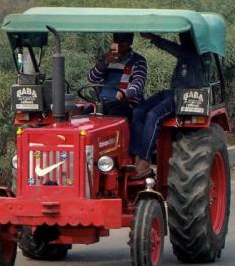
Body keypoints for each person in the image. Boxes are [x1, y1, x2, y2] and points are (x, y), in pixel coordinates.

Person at [129, 32, 209, 174]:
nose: (181, 39)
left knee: (153, 115)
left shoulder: (199, 54)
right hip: (172, 92)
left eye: (184, 37)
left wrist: (154, 38)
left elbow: (174, 49)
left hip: (187, 96)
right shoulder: (185, 53)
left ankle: (145, 159)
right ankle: (135, 154)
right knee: (138, 111)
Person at [87, 32, 146, 119]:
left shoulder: (138, 60)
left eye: (123, 41)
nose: (119, 44)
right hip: (103, 102)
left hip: (126, 102)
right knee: (82, 117)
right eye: (117, 40)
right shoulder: (106, 57)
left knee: (113, 119)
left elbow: (139, 83)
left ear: (130, 42)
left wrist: (126, 94)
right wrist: (105, 62)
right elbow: (91, 78)